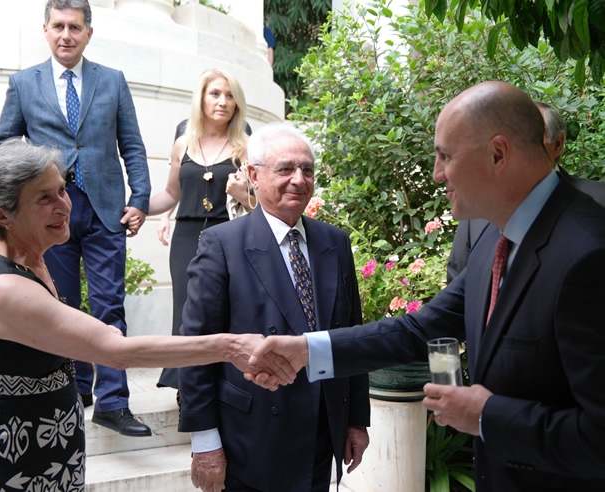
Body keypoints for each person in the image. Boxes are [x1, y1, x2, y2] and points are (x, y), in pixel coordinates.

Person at [248, 82, 605, 491]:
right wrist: (307, 350)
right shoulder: (495, 238)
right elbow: (421, 329)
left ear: (497, 153)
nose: (437, 173)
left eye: (445, 156)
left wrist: (489, 417)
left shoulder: (589, 253)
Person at [0, 138, 294, 492]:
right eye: (43, 198)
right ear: (1, 215)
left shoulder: (32, 261)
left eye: (62, 190)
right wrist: (231, 347)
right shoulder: (2, 287)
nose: (64, 206)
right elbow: (116, 352)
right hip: (0, 470)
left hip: (46, 461)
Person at [178, 123, 370, 492]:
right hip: (251, 438)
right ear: (253, 175)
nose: (299, 179)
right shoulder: (222, 244)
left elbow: (351, 337)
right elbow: (197, 348)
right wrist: (204, 442)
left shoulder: (335, 243)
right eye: (285, 169)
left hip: (320, 433)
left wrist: (355, 420)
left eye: (307, 169)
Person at [0, 0, 151, 436]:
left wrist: (140, 198)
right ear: (45, 30)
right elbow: (3, 143)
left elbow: (132, 145)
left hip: (104, 208)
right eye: (58, 26)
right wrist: (20, 198)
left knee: (108, 305)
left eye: (75, 27)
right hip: (48, 212)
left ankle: (113, 402)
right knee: (60, 306)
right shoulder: (24, 83)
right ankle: (76, 386)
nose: (66, 34)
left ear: (88, 33)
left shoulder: (112, 82)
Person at [146, 68, 255, 390]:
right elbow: (170, 195)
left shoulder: (245, 147)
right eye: (215, 94)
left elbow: (261, 205)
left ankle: (222, 381)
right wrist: (136, 206)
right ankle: (186, 386)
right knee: (185, 309)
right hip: (186, 237)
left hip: (229, 239)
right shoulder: (183, 144)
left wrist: (242, 194)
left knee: (223, 310)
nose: (223, 102)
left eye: (230, 95)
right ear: (201, 99)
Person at [447, 100, 605, 283]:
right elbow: (458, 283)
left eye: (526, 140)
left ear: (557, 145)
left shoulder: (599, 202)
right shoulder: (477, 210)